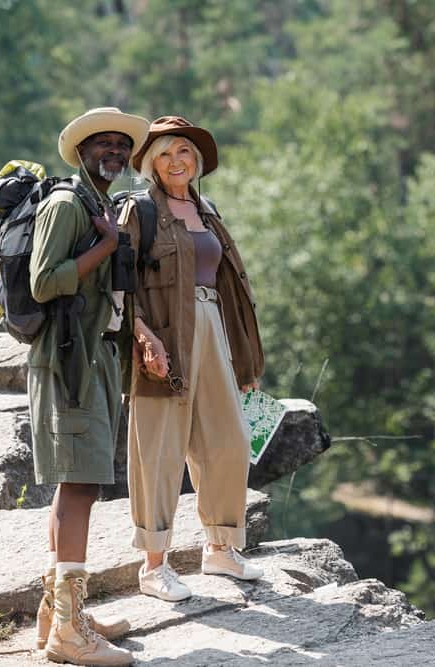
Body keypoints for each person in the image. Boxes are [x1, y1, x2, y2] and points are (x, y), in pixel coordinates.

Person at [120, 116, 265, 602]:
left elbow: (229, 290)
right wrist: (142, 337)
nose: (176, 161)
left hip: (212, 329)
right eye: (164, 154)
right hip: (163, 336)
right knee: (159, 449)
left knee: (230, 439)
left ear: (196, 159)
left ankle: (220, 548)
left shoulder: (209, 209)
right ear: (149, 165)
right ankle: (154, 565)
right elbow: (118, 288)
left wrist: (242, 361)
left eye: (184, 151)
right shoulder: (138, 212)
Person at [29, 107, 148, 666]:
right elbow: (43, 282)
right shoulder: (64, 205)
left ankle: (60, 614)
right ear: (81, 151)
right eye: (103, 144)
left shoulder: (97, 203)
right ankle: (70, 636)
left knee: (74, 485)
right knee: (80, 486)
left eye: (121, 147)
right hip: (68, 360)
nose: (115, 153)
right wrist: (105, 246)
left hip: (95, 355)